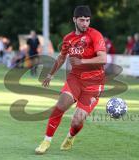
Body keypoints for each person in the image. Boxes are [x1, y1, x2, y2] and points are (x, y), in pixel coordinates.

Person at [35, 5, 107, 154]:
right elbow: (61, 57)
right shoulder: (68, 38)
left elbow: (103, 58)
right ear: (74, 20)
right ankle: (46, 141)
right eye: (82, 20)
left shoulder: (95, 35)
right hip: (75, 79)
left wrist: (82, 62)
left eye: (87, 20)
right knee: (60, 105)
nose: (85, 23)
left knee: (77, 120)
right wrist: (50, 74)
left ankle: (70, 137)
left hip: (94, 83)